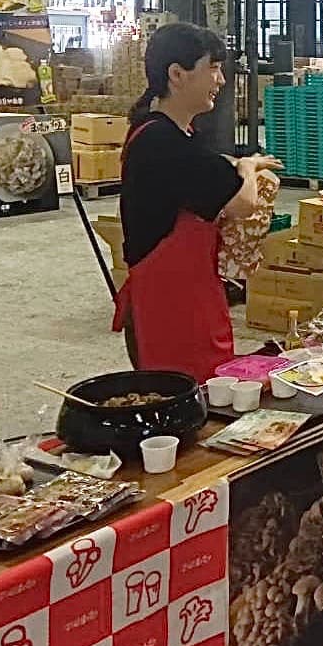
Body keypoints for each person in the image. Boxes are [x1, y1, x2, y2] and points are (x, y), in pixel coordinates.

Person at [113, 23, 282, 382]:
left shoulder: (164, 132)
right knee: (189, 390)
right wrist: (248, 168)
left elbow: (206, 169)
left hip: (187, 293)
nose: (221, 80)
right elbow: (242, 204)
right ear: (177, 74)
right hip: (172, 306)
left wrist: (235, 165)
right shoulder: (163, 142)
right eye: (213, 68)